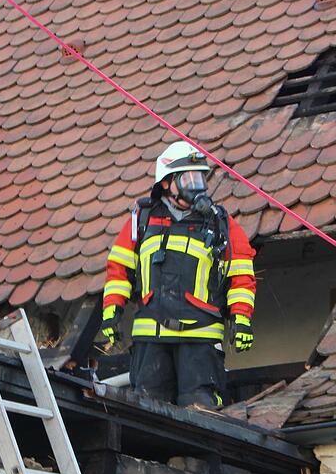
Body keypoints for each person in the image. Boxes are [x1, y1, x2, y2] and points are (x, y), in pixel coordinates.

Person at [100, 141, 256, 409]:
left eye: (200, 178)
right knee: (148, 410)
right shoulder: (143, 219)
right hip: (151, 340)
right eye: (188, 178)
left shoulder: (220, 223)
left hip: (201, 341)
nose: (197, 186)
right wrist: (111, 312)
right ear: (166, 182)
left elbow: (241, 273)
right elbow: (119, 269)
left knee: (201, 412)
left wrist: (241, 319)